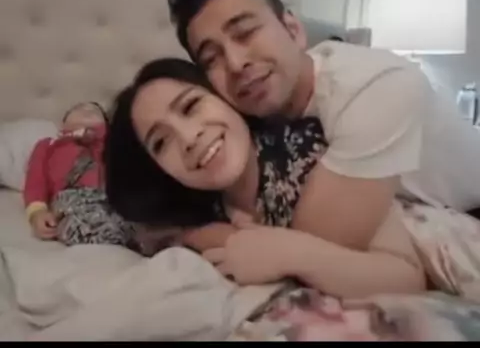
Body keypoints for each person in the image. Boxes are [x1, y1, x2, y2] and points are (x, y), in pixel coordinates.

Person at [166, 0, 480, 258]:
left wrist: (195, 235)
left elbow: (312, 247)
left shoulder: (375, 87)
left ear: (293, 30)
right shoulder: (242, 119)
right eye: (211, 59)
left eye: (245, 33)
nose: (235, 64)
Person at [104, 58, 425, 299]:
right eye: (161, 143)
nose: (189, 138)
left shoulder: (308, 151)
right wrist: (203, 236)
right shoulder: (197, 205)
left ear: (226, 99)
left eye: (191, 107)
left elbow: (406, 277)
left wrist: (291, 254)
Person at [24, 101, 131, 247]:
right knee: (80, 224)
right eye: (78, 110)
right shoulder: (49, 145)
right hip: (72, 197)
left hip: (113, 195)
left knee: (132, 216)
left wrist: (100, 135)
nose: (87, 109)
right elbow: (35, 181)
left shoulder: (112, 142)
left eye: (96, 111)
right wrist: (37, 212)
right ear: (63, 125)